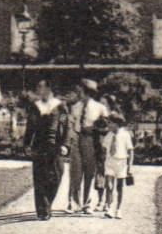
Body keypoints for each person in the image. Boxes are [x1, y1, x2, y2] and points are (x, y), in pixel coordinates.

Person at [21, 80, 68, 220]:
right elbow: (30, 127)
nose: (37, 90)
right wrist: (27, 144)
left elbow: (66, 126)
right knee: (40, 178)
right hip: (39, 146)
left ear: (48, 88)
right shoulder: (34, 107)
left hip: (55, 146)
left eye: (40, 87)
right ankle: (43, 209)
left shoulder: (60, 107)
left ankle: (47, 203)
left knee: (56, 176)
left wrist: (65, 144)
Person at [67, 79, 111, 214]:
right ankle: (74, 203)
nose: (78, 93)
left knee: (89, 172)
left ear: (87, 92)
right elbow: (71, 125)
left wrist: (97, 129)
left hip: (91, 140)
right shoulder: (75, 107)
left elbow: (106, 126)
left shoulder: (100, 108)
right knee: (76, 171)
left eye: (80, 90)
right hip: (77, 139)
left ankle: (87, 203)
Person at [100, 114, 135, 218]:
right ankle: (110, 208)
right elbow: (104, 149)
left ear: (117, 124)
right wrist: (101, 160)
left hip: (121, 162)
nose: (108, 125)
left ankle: (118, 209)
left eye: (110, 123)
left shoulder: (125, 135)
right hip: (110, 162)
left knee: (120, 187)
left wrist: (130, 166)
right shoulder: (109, 135)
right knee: (109, 186)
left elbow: (130, 150)